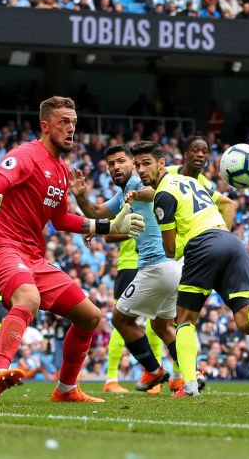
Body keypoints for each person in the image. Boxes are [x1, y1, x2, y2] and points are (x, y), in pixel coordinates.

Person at [0, 96, 145, 403]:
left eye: (74, 123)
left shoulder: (62, 170)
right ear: (45, 126)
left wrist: (108, 227)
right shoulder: (26, 154)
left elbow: (60, 219)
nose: (71, 129)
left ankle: (66, 389)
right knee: (29, 298)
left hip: (33, 257)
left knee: (90, 316)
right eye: (64, 122)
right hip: (1, 246)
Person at [131, 141, 249, 397]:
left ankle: (190, 385)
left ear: (162, 164)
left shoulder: (163, 196)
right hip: (231, 242)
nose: (140, 170)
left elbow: (171, 250)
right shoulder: (193, 182)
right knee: (246, 322)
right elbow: (226, 204)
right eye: (137, 164)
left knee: (183, 320)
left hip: (203, 246)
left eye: (146, 163)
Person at [74, 145, 186, 395]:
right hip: (170, 266)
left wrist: (136, 195)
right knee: (162, 326)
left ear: (133, 164)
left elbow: (152, 191)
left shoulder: (139, 182)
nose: (115, 167)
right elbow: (97, 213)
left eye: (120, 161)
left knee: (120, 319)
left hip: (155, 265)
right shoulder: (126, 190)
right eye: (110, 164)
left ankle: (153, 371)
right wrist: (81, 197)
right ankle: (190, 376)